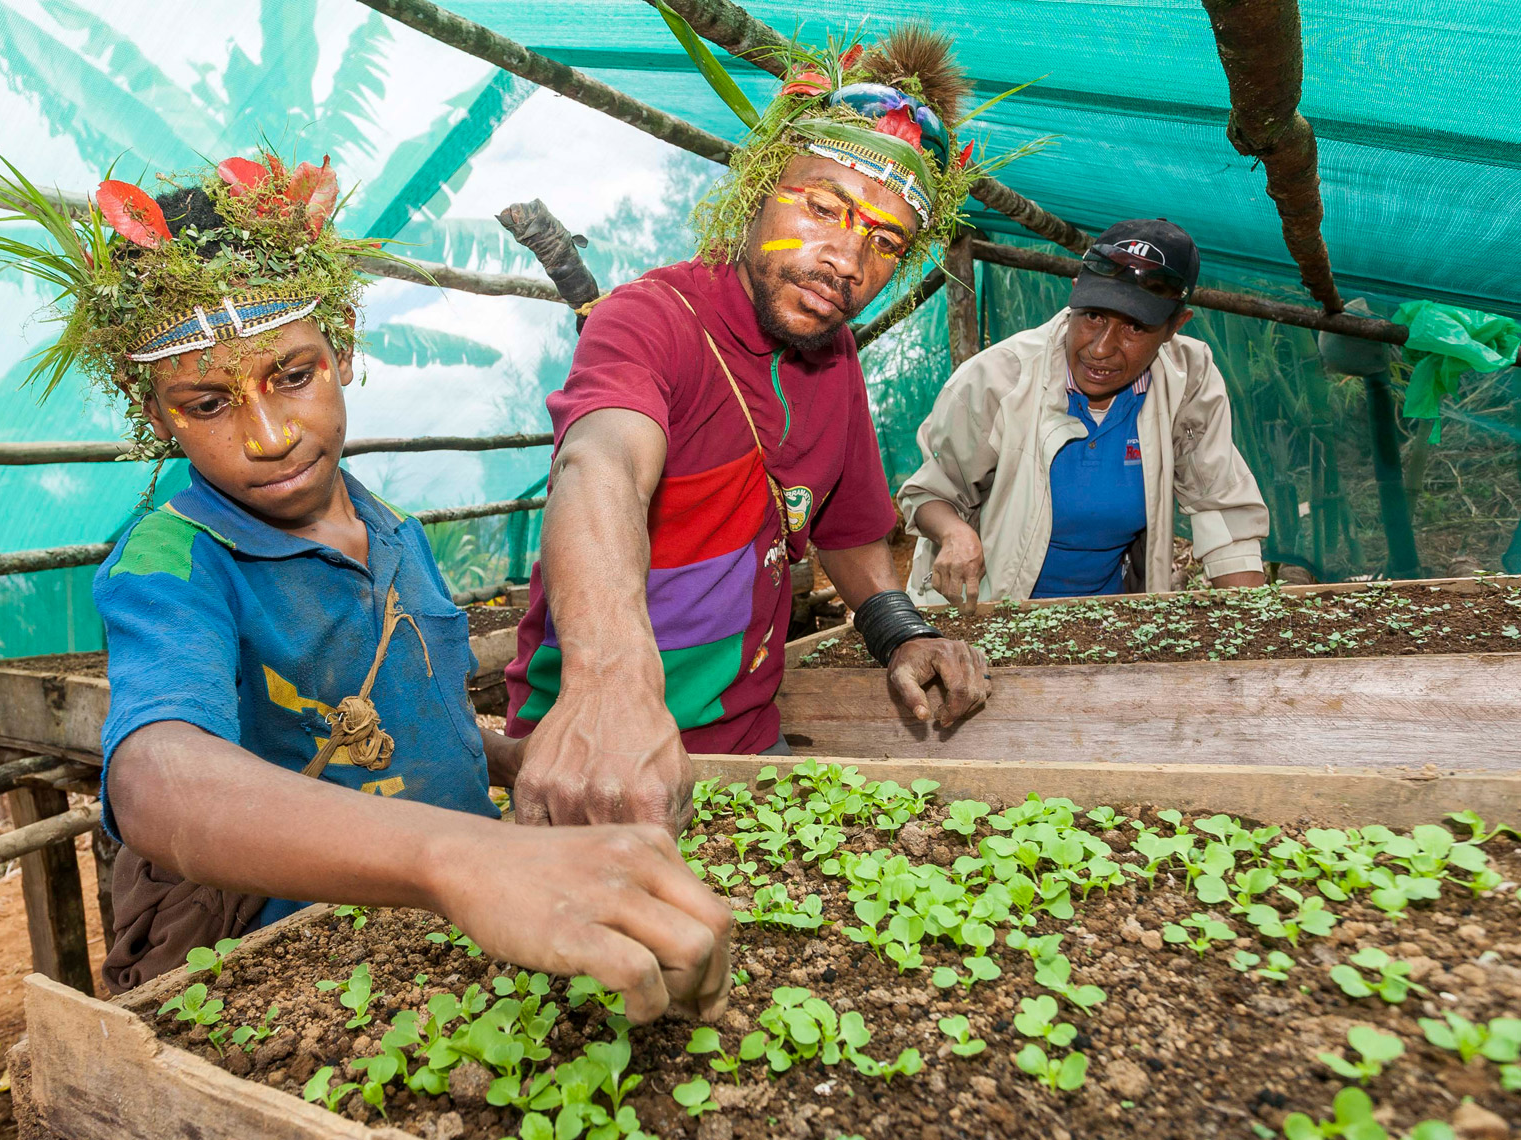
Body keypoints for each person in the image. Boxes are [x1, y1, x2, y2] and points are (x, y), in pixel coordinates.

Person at [0, 150, 730, 1015]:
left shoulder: (392, 527)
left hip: (452, 944)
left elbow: (408, 716)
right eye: (208, 403)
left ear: (344, 347)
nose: (271, 434)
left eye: (293, 375)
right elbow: (156, 774)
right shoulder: (172, 560)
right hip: (304, 974)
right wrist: (458, 858)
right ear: (153, 413)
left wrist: (515, 758)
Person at [504, 27, 993, 831]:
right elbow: (601, 468)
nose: (846, 260)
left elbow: (845, 530)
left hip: (744, 751)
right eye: (825, 208)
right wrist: (606, 687)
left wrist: (903, 633)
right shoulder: (653, 321)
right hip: (594, 761)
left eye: (884, 242)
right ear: (760, 185)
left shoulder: (831, 358)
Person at [897, 219, 1270, 608]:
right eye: (1094, 315)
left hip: (1104, 620)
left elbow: (1220, 504)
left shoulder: (1187, 380)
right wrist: (954, 533)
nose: (1101, 349)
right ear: (1075, 295)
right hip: (985, 608)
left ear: (1175, 326)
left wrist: (1249, 627)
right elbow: (931, 491)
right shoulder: (998, 378)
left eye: (1135, 327)